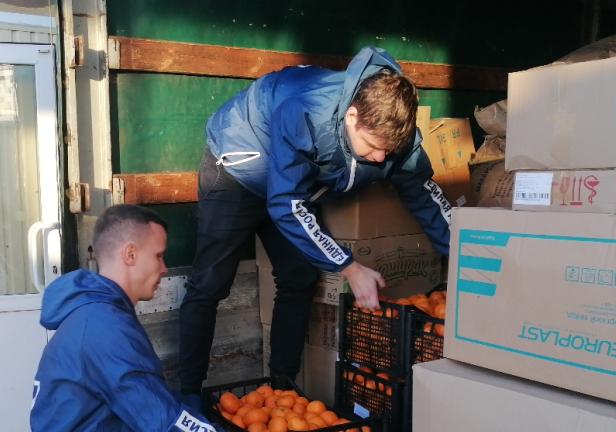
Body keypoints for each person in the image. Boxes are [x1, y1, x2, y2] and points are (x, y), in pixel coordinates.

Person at [0, 204, 329, 432]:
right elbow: (170, 427)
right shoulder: (103, 331)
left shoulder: (95, 316)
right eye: (158, 256)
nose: (164, 268)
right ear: (130, 254)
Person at [177, 46, 451, 403]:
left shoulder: (395, 135)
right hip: (240, 165)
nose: (381, 159)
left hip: (290, 183)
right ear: (352, 116)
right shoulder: (305, 110)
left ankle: (282, 387)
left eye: (389, 151)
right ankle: (188, 395)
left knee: (299, 276)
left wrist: (462, 254)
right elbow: (286, 206)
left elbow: (425, 195)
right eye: (372, 147)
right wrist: (349, 266)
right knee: (210, 283)